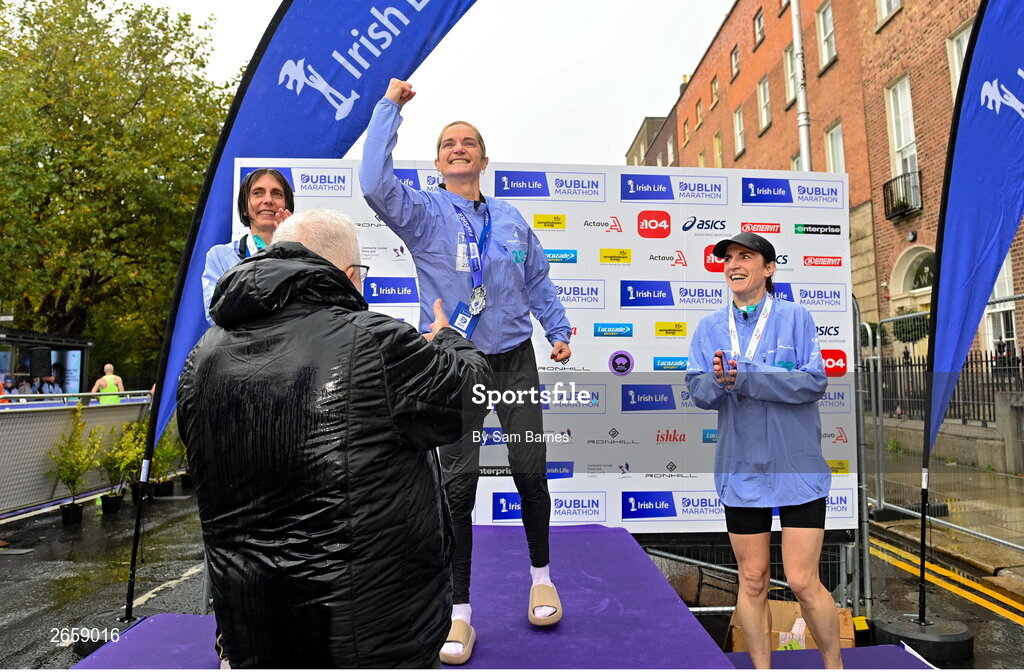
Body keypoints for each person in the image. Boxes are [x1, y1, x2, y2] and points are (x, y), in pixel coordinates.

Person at [177, 208, 491, 668]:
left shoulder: (202, 357)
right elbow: (471, 395)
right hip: (369, 639)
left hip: (251, 635)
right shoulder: (374, 343)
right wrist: (449, 339)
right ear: (348, 274)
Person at [360, 78, 572, 665]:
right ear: (437, 160)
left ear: (484, 157)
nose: (459, 148)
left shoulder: (509, 218)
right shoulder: (424, 213)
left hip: (515, 361)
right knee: (458, 486)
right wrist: (389, 109)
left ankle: (542, 578)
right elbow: (374, 183)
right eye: (449, 142)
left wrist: (558, 331)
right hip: (455, 365)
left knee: (531, 472)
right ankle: (459, 614)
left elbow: (536, 282)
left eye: (470, 142)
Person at [685, 232, 842, 669]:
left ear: (768, 269)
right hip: (741, 470)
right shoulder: (709, 327)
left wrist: (747, 375)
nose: (733, 264)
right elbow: (697, 391)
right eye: (727, 258)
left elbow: (813, 382)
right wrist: (718, 381)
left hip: (797, 467)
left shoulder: (797, 317)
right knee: (752, 579)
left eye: (745, 256)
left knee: (802, 579)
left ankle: (834, 665)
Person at [201, 168, 295, 325]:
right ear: (244, 208)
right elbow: (215, 313)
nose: (268, 200)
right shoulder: (219, 256)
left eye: (277, 193)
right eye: (257, 193)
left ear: (287, 206)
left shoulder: (305, 254)